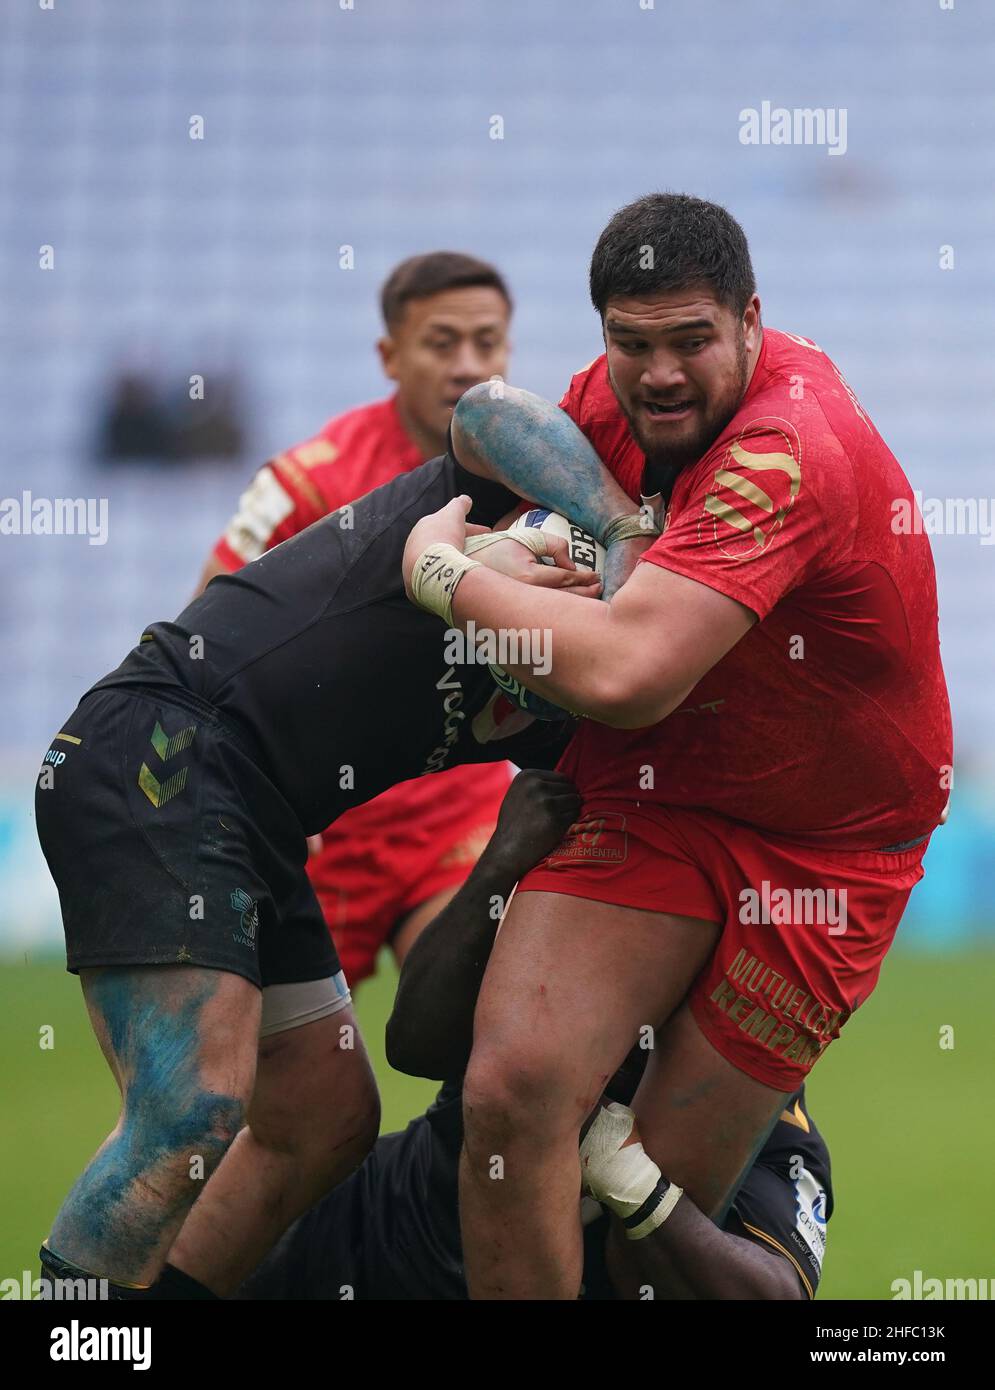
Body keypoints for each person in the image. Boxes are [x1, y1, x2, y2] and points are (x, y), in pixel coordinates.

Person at [401, 192, 952, 1299]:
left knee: (648, 1237)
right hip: (658, 794)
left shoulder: (788, 447)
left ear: (750, 321)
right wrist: (560, 532)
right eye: (629, 343)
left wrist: (447, 575)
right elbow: (484, 421)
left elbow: (625, 674)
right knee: (512, 1098)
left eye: (690, 341)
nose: (657, 374)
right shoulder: (614, 407)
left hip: (826, 855)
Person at [35, 411, 648, 1299]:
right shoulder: (454, 518)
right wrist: (623, 527)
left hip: (257, 809)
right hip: (164, 748)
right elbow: (483, 409)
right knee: (188, 1113)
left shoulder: (564, 695)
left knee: (324, 1115)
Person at [235, 770, 833, 1302]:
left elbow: (775, 1290)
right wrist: (501, 862)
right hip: (368, 1238)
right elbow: (413, 1044)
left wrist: (634, 1183)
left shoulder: (754, 1109)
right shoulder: (563, 969)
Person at [197, 252, 519, 989]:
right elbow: (206, 634)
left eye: (488, 341)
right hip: (314, 828)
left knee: (480, 1019)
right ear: (389, 355)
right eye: (442, 343)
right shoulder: (311, 479)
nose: (467, 365)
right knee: (300, 1100)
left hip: (451, 816)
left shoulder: (533, 471)